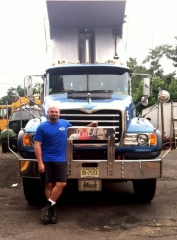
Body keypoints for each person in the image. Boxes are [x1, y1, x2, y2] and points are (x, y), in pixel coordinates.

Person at [34, 105, 98, 224]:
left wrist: (90, 126)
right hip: (46, 160)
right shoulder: (41, 127)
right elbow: (37, 145)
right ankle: (51, 211)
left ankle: (47, 208)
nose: (54, 113)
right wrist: (40, 163)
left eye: (56, 112)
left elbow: (77, 132)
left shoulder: (65, 124)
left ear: (59, 113)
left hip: (60, 160)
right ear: (48, 113)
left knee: (61, 184)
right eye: (52, 112)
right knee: (48, 185)